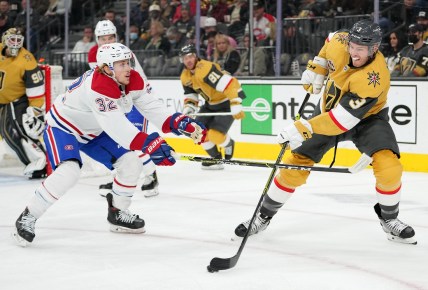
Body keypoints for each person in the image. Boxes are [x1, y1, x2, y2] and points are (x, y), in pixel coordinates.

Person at [234, 20, 417, 245]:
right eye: (352, 45)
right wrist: (318, 68)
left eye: (360, 49)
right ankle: (262, 216)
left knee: (389, 166)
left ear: (374, 49)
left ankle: (389, 220)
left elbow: (341, 121)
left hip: (367, 120)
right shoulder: (341, 41)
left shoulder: (374, 77)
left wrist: (303, 127)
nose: (353, 52)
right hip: (329, 112)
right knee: (294, 166)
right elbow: (330, 39)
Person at [12, 43, 207, 247]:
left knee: (131, 162)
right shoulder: (98, 86)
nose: (128, 68)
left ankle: (118, 212)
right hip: (64, 127)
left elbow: (152, 107)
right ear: (106, 68)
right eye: (121, 64)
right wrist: (150, 144)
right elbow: (117, 127)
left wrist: (180, 122)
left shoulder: (131, 79)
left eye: (128, 62)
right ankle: (29, 215)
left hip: (95, 130)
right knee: (69, 171)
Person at [89, 19, 161, 198]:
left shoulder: (123, 53)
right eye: (102, 38)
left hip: (135, 101)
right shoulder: (96, 55)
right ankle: (119, 178)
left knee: (135, 141)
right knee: (119, 142)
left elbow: (129, 85)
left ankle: (151, 176)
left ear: (116, 37)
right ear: (97, 39)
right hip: (119, 104)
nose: (107, 41)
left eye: (110, 37)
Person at [179, 44, 246, 170]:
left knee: (216, 136)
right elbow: (191, 95)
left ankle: (228, 143)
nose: (188, 60)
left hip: (227, 101)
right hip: (211, 105)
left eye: (190, 56)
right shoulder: (185, 76)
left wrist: (235, 102)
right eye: (185, 58)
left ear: (196, 56)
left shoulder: (205, 68)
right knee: (195, 132)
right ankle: (216, 159)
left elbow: (229, 84)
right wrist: (189, 109)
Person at [0, 27, 47, 179]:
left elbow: (36, 87)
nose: (15, 44)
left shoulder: (26, 59)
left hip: (16, 102)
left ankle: (42, 162)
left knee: (18, 133)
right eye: (11, 40)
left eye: (18, 41)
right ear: (4, 41)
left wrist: (35, 110)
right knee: (7, 136)